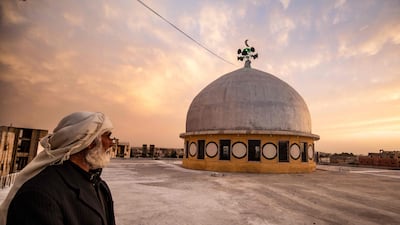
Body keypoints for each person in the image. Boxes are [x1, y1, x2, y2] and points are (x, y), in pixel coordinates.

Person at [0, 112, 116, 225]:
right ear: (90, 142)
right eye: (108, 136)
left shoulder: (99, 185)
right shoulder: (39, 195)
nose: (112, 143)